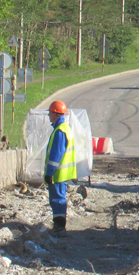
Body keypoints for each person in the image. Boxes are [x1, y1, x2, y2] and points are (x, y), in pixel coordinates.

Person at [44, 99, 77, 236]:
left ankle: (59, 227)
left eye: (50, 113)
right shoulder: (65, 128)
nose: (48, 116)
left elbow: (56, 154)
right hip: (62, 173)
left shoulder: (60, 131)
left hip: (58, 173)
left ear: (55, 113)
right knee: (59, 198)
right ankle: (59, 225)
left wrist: (50, 172)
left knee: (57, 199)